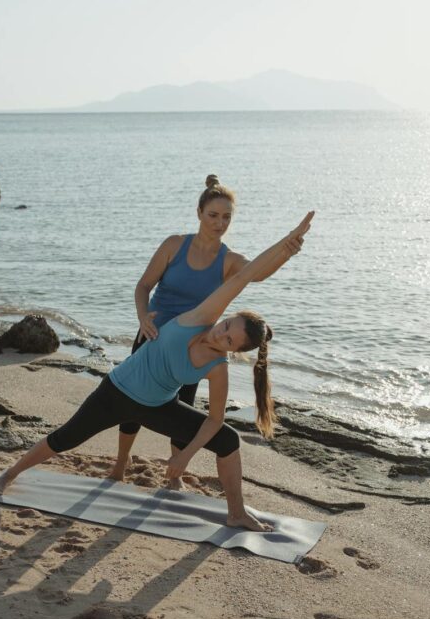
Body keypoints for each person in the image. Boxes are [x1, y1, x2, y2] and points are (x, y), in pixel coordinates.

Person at [0, 212, 314, 532]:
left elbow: (214, 421)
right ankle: (10, 474)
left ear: (235, 351)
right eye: (226, 325)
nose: (220, 335)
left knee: (227, 439)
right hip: (116, 392)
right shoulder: (200, 318)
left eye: (229, 340)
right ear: (225, 317)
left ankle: (236, 513)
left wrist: (185, 456)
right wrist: (287, 243)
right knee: (67, 437)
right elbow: (244, 277)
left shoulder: (218, 368)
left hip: (157, 406)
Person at [110, 174, 298, 482]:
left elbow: (258, 274)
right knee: (131, 405)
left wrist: (285, 253)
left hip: (196, 348)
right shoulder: (174, 245)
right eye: (213, 215)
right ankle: (119, 465)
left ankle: (174, 475)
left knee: (182, 410)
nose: (219, 223)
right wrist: (143, 317)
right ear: (199, 213)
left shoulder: (229, 260)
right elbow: (144, 286)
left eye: (226, 217)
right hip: (153, 336)